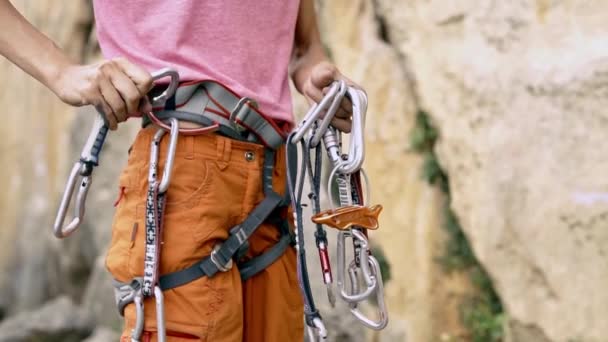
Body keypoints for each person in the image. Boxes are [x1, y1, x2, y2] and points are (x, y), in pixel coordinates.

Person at [0, 1, 360, 341]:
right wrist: (62, 73)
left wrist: (314, 70)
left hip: (274, 184)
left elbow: (305, 46)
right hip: (181, 171)